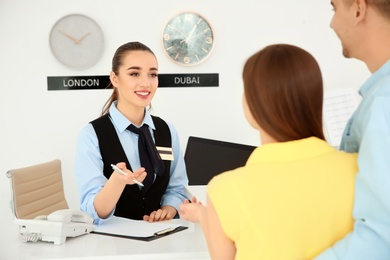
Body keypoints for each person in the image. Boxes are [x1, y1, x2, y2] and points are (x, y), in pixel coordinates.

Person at [178, 44, 358, 260]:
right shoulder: (359, 169)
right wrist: (204, 214)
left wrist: (208, 216)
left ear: (253, 105)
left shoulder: (225, 189)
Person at [74, 41, 188, 225]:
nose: (146, 83)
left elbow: (177, 187)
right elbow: (93, 211)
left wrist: (168, 209)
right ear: (115, 78)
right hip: (112, 243)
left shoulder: (167, 130)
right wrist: (117, 182)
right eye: (134, 73)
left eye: (153, 74)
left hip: (161, 235)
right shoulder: (91, 135)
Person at [314, 0, 390, 259]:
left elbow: (382, 236)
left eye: (334, 8)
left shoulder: (383, 102)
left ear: (358, 9)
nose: (332, 22)